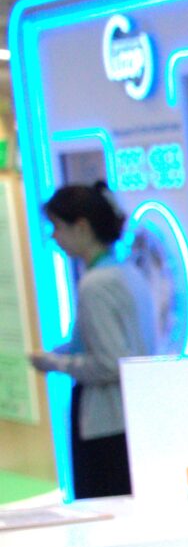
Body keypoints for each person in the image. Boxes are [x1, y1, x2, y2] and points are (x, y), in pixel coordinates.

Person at [26, 184, 160, 499]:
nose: (54, 237)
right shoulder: (129, 273)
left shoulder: (96, 284)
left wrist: (55, 363)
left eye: (57, 227)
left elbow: (109, 362)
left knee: (105, 506)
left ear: (82, 227)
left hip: (106, 423)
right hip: (134, 415)